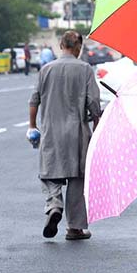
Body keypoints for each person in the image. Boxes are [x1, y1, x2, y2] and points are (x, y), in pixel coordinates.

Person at [28, 30, 101, 240]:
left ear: (61, 46)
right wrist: (96, 125)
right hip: (77, 133)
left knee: (49, 172)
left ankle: (54, 204)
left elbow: (34, 101)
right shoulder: (85, 69)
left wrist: (33, 126)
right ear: (78, 48)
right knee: (78, 180)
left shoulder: (46, 70)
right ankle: (75, 227)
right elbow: (94, 104)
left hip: (51, 132)